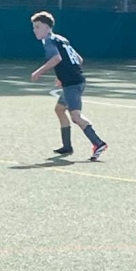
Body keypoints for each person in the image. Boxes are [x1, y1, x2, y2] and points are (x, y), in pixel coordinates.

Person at [30, 11, 107, 161]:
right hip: (73, 81)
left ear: (47, 27)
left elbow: (57, 58)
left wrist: (39, 72)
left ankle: (98, 143)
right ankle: (67, 146)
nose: (35, 30)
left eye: (37, 27)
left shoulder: (49, 41)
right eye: (34, 27)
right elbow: (78, 59)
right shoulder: (61, 39)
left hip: (73, 84)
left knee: (76, 116)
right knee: (59, 109)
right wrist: (62, 76)